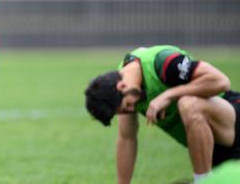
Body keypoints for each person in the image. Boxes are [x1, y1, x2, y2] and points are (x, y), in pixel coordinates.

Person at [84, 45, 240, 184]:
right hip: (219, 154)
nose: (131, 110)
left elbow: (221, 81)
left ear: (122, 86)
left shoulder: (163, 62)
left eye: (127, 106)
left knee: (188, 104)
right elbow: (127, 138)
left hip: (232, 122)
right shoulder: (124, 88)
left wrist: (168, 95)